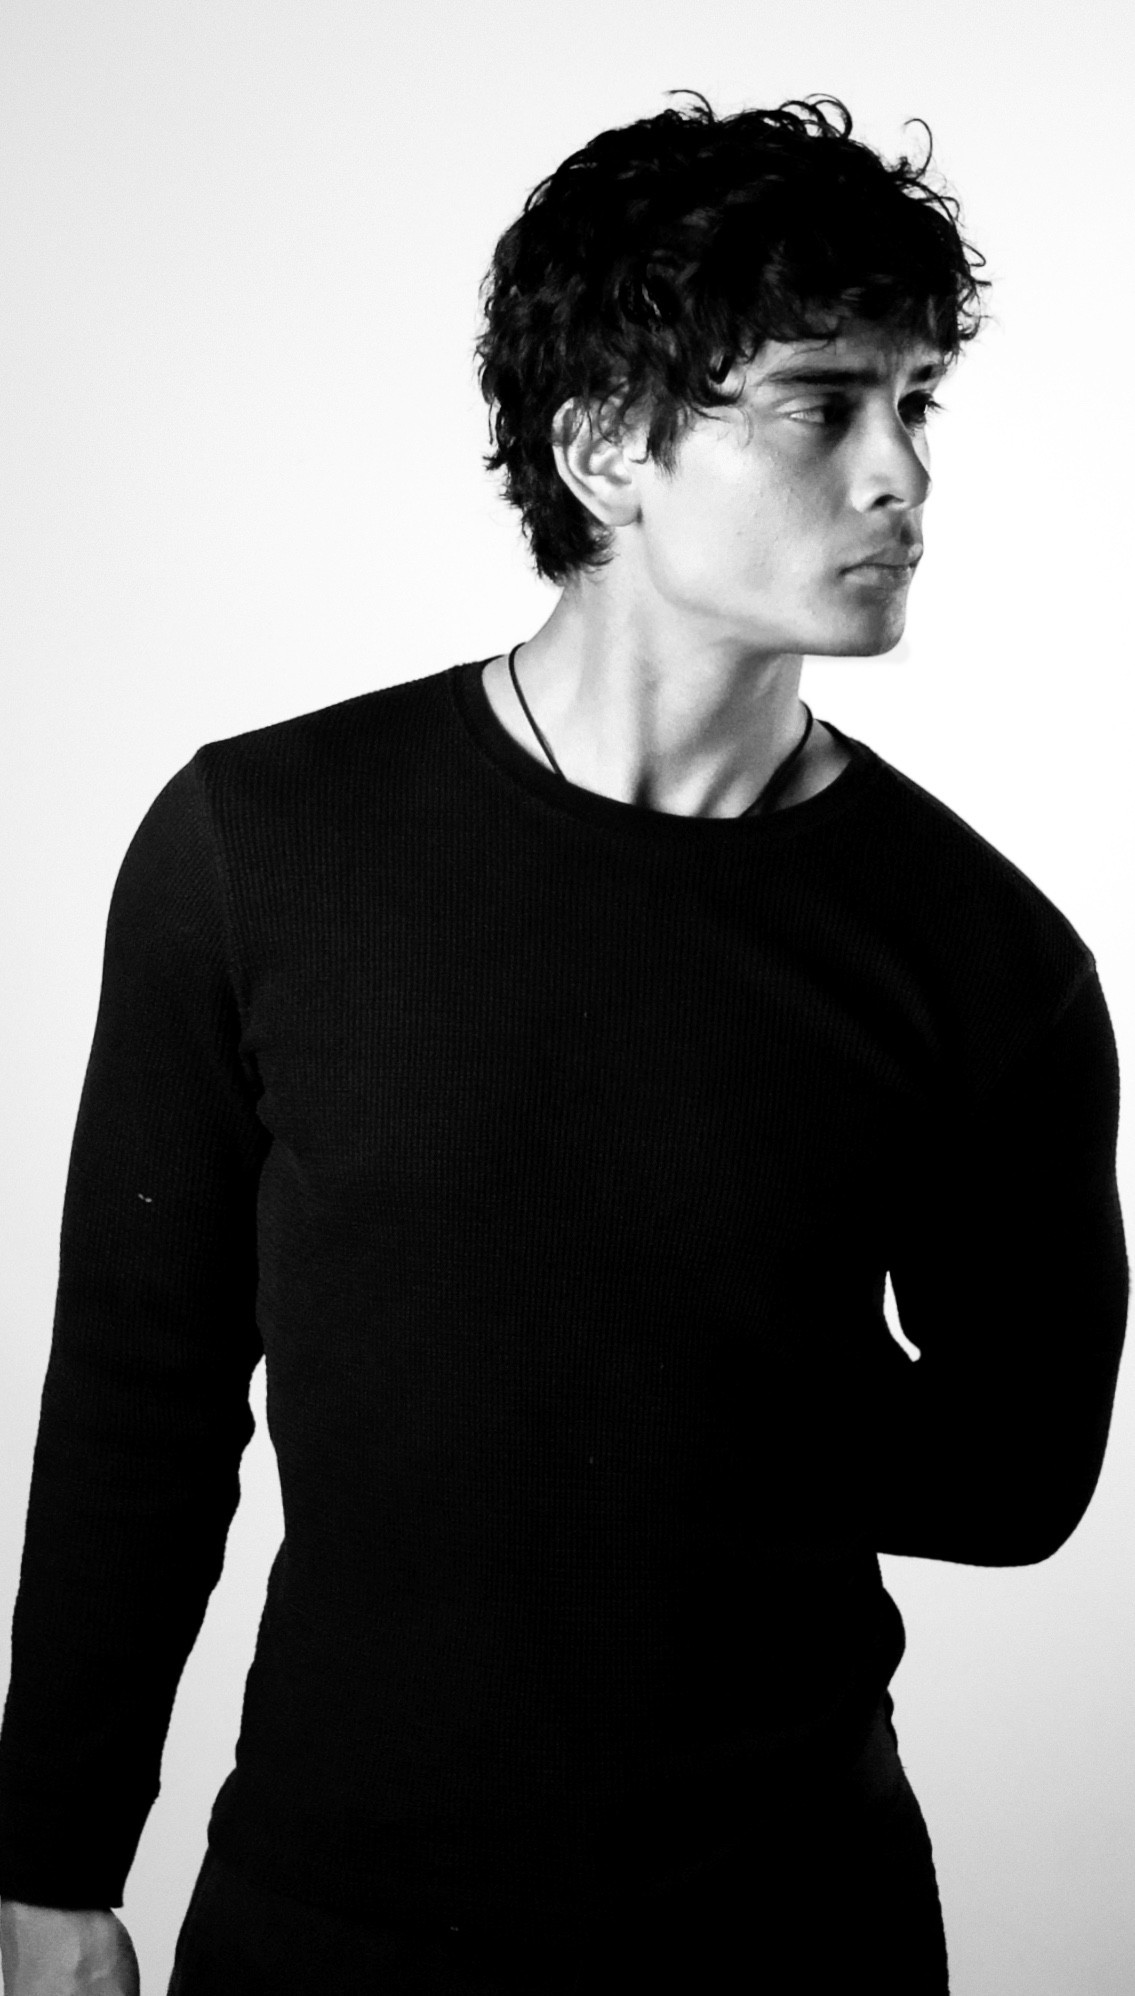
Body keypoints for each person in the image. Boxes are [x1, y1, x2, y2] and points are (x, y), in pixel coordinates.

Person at [0, 89, 1128, 1996]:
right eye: (823, 404)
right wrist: (47, 1866)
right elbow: (142, 1395)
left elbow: (1019, 1477)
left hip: (790, 1927)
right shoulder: (265, 846)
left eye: (918, 402)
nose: (903, 476)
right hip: (331, 1920)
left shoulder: (980, 953)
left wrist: (634, 1342)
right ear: (605, 448)